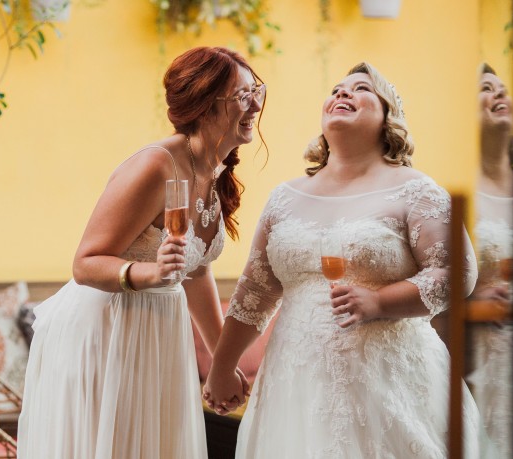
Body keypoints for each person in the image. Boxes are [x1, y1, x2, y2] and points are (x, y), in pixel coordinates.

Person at [204, 62, 489, 457]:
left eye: (361, 89)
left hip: (389, 384)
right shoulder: (285, 198)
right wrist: (221, 368)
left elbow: (458, 273)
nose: (342, 93)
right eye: (337, 89)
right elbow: (255, 293)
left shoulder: (415, 189)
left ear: (389, 117)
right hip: (296, 385)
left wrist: (379, 302)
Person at [17, 46, 265, 459]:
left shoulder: (212, 171)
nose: (255, 103)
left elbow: (197, 271)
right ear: (205, 107)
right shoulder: (156, 166)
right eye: (241, 95)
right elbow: (86, 262)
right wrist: (149, 275)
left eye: (256, 90)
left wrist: (223, 364)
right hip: (106, 334)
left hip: (157, 332)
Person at [466, 63, 513, 457]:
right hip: (479, 359)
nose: (500, 94)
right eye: (486, 88)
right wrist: (472, 305)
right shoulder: (456, 192)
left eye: (502, 88)